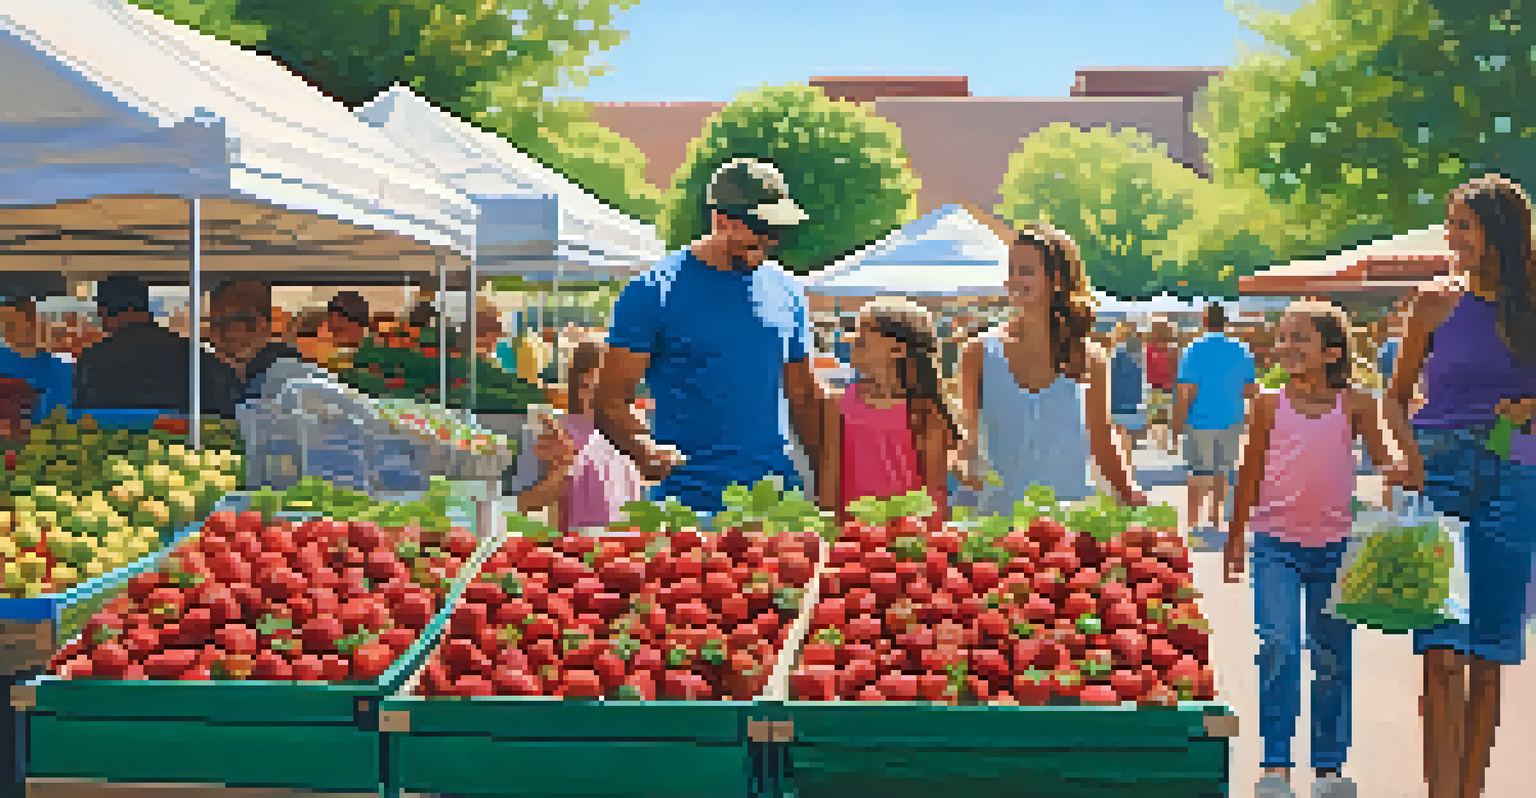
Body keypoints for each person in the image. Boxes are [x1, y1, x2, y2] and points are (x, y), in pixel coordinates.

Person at [1380, 174, 1536, 798]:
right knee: (1440, 658)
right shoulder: (1433, 302)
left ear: (1497, 232)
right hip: (1440, 474)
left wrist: (1529, 406)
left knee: (1489, 658)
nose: (1453, 237)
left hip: (1515, 478)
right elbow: (1392, 401)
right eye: (1451, 224)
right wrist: (1408, 460)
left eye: (1463, 225)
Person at [1227, 301, 1397, 798]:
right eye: (1283, 338)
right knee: (1278, 645)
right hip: (1275, 547)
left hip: (1336, 551)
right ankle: (1275, 765)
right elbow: (1249, 473)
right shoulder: (1267, 404)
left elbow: (1386, 460)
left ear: (1331, 351)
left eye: (1299, 338)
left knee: (1331, 656)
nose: (1286, 347)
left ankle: (1328, 768)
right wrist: (1236, 537)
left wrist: (1404, 468)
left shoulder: (1357, 404)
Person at [595, 158, 822, 515]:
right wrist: (642, 448)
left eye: (778, 230)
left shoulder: (789, 291)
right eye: (761, 229)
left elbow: (805, 397)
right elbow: (610, 401)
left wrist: (826, 488)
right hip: (688, 504)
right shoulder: (652, 291)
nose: (770, 241)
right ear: (721, 220)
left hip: (776, 500)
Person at [956, 223, 1146, 512]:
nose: (1014, 280)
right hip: (996, 522)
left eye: (1027, 271)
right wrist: (964, 466)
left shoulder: (1089, 358)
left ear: (1056, 279)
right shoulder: (978, 352)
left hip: (1067, 522)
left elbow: (1102, 438)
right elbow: (965, 436)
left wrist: (1129, 491)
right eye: (1012, 270)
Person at [819, 298, 960, 530]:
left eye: (864, 332)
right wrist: (831, 535)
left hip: (908, 539)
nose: (853, 337)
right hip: (854, 538)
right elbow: (829, 480)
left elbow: (936, 492)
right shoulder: (837, 403)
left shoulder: (924, 412)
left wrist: (931, 543)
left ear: (897, 348)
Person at [508, 340, 644, 534]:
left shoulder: (632, 434)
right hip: (572, 554)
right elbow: (522, 505)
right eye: (588, 386)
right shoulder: (550, 432)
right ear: (577, 386)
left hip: (623, 552)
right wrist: (565, 469)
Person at [74, 275, 232, 416]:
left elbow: (82, 415)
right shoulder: (196, 357)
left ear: (103, 313)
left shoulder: (93, 359)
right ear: (147, 310)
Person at [1173, 303, 1256, 547]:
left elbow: (1186, 391)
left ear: (1204, 320)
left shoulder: (1193, 350)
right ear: (1226, 322)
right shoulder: (1242, 350)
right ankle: (1215, 519)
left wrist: (1177, 422)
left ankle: (1192, 524)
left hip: (1199, 420)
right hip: (1232, 420)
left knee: (1198, 473)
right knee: (1223, 471)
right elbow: (1249, 390)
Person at [206, 280, 303, 407]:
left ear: (260, 324)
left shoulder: (288, 369)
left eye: (223, 321)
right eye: (213, 321)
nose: (215, 330)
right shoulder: (207, 371)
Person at [0, 292, 72, 424]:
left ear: (33, 324)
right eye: (4, 325)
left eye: (12, 325)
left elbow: (62, 412)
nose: (6, 331)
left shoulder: (60, 368)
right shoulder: (2, 357)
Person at [1109, 321, 1148, 459]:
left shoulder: (1113, 357)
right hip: (1131, 409)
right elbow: (1139, 387)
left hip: (1116, 408)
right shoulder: (1137, 357)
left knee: (1119, 452)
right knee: (1128, 452)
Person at [1144, 319, 1177, 450]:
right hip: (1170, 388)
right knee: (1169, 420)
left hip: (1155, 389)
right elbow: (1176, 370)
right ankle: (1170, 444)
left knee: (1157, 422)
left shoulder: (1149, 348)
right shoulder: (1173, 349)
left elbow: (1146, 368)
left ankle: (1162, 445)